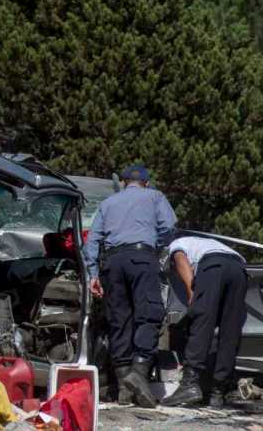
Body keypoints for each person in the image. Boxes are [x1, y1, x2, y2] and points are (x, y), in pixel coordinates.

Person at [83, 164, 176, 407]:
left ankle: (125, 387)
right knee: (149, 313)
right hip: (142, 257)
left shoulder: (108, 203)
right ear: (146, 183)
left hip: (113, 263)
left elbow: (92, 240)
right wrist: (155, 245)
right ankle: (139, 372)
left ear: (124, 183)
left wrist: (93, 274)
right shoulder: (155, 196)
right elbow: (169, 227)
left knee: (119, 320)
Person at [161, 236, 248, 407]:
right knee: (230, 331)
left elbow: (180, 259)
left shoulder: (176, 245)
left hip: (213, 266)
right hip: (240, 270)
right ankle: (218, 391)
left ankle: (189, 385)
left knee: (202, 323)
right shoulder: (208, 244)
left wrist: (191, 293)